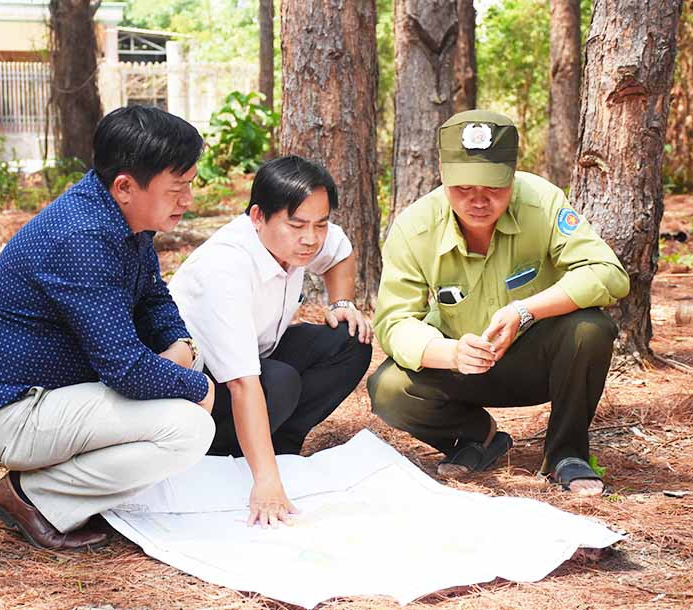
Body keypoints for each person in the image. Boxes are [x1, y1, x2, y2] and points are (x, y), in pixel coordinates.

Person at [0, 106, 216, 550]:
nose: (188, 199)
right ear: (125, 187)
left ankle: (61, 487)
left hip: (62, 398)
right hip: (12, 414)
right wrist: (194, 387)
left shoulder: (121, 217)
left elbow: (154, 297)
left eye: (190, 184)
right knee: (189, 428)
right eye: (178, 187)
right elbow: (125, 370)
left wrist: (183, 346)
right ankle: (32, 496)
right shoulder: (81, 239)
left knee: (195, 365)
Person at [367, 109, 629, 496]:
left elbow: (609, 273)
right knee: (388, 388)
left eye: (493, 187)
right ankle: (477, 437)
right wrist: (450, 353)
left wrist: (526, 310)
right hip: (459, 364)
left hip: (537, 361)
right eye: (463, 188)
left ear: (512, 172)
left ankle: (566, 454)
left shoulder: (542, 202)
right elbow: (394, 322)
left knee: (591, 329)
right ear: (442, 172)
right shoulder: (414, 227)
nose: (478, 201)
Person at [169, 155, 373, 528]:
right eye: (296, 225)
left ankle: (282, 445)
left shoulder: (303, 240)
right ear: (258, 216)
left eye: (320, 224)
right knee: (277, 382)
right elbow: (243, 383)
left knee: (349, 341)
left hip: (258, 356)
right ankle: (229, 457)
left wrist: (342, 303)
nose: (310, 238)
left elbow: (339, 251)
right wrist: (267, 483)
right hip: (198, 392)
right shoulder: (225, 267)